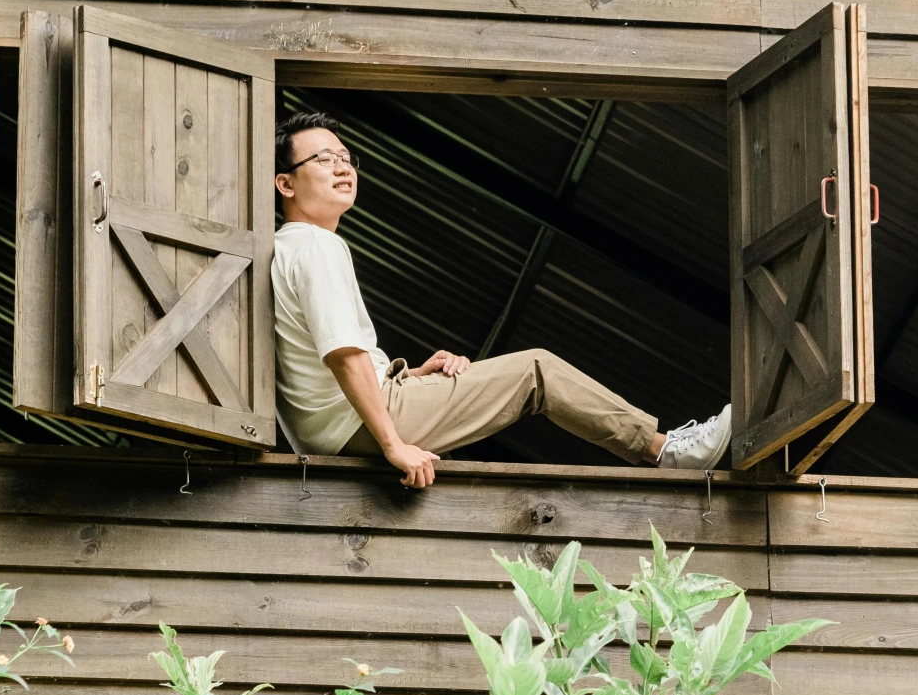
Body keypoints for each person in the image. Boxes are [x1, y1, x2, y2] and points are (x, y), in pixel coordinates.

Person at [269, 110, 731, 487]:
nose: (343, 167)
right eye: (324, 159)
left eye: (346, 157)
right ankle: (663, 450)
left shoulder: (291, 246)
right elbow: (343, 357)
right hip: (358, 424)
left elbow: (338, 358)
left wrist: (413, 376)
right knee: (536, 371)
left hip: (340, 425)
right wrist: (393, 444)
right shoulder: (315, 245)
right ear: (286, 184)